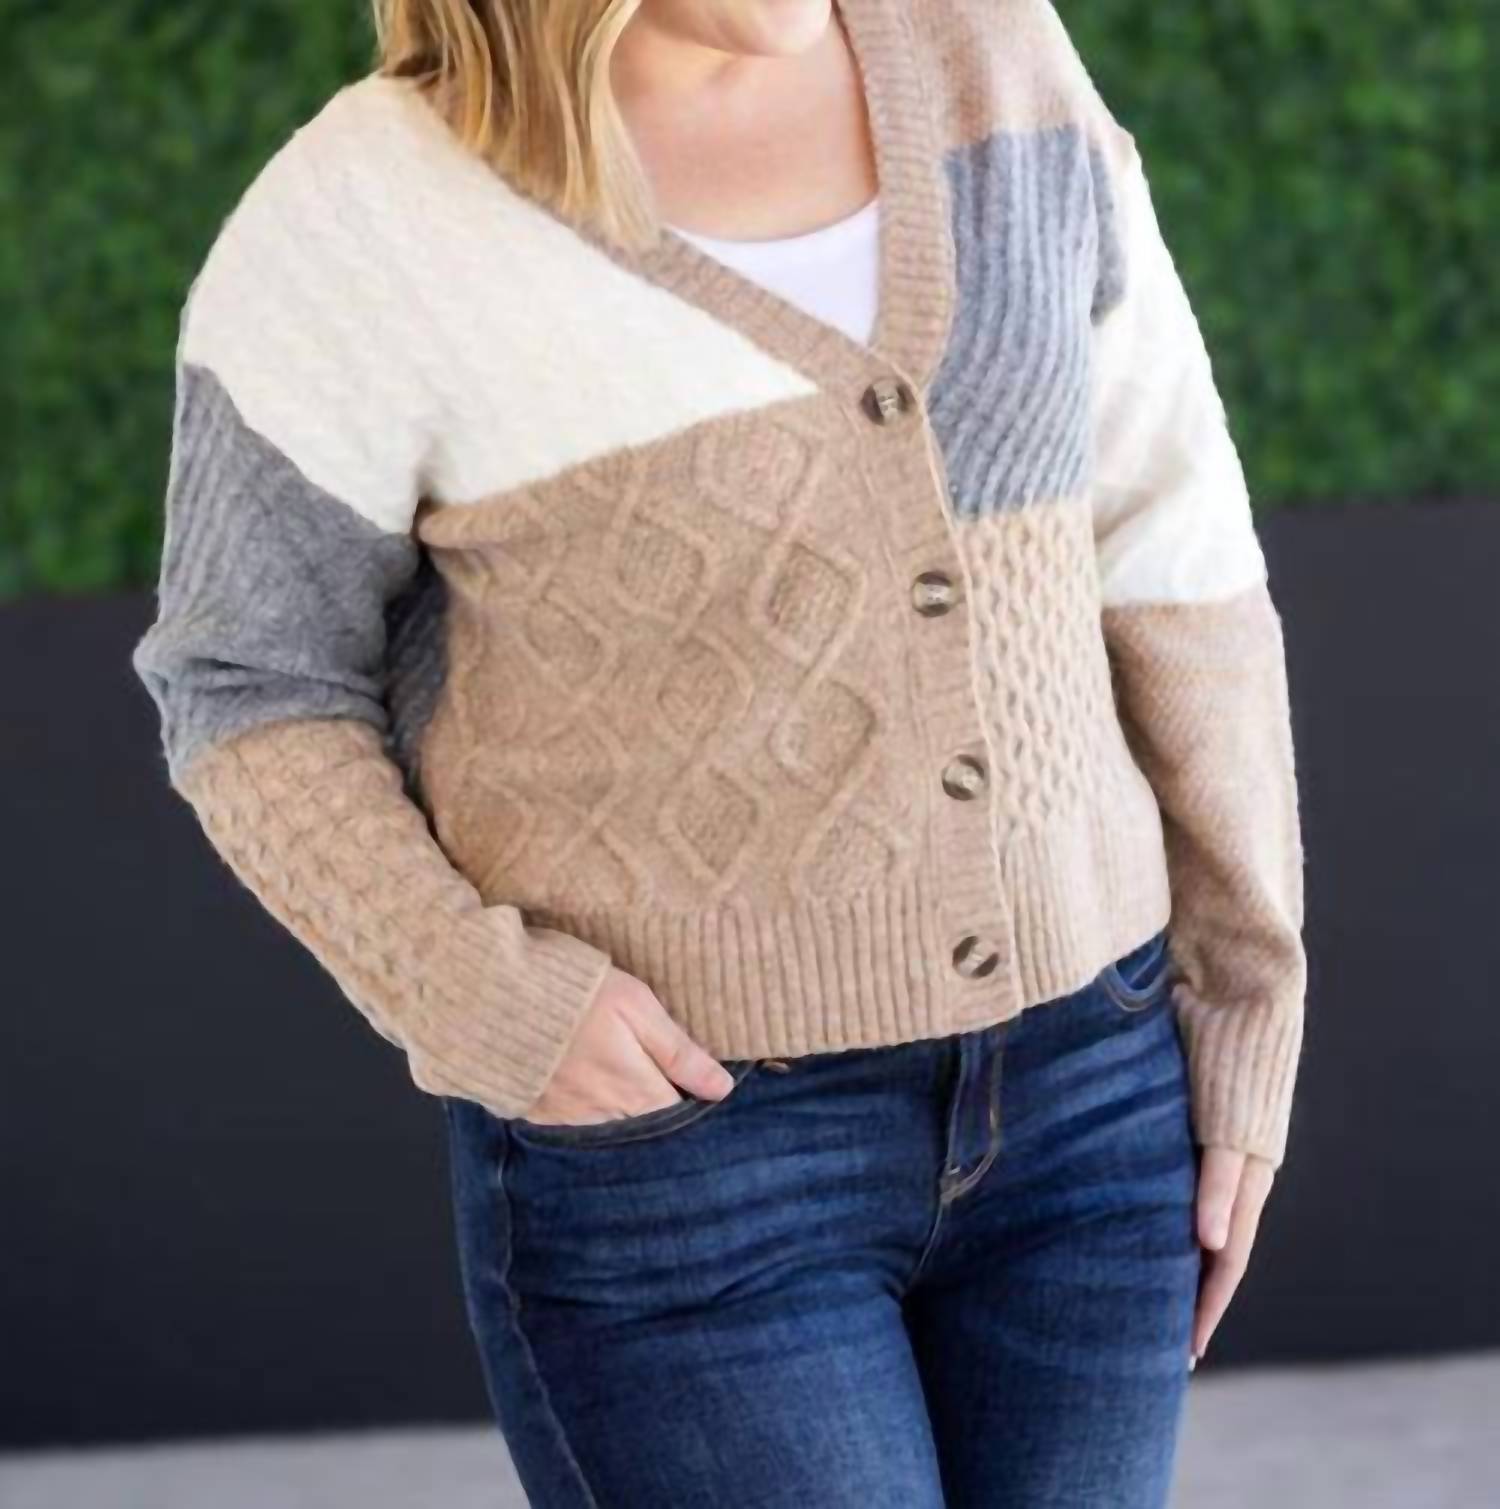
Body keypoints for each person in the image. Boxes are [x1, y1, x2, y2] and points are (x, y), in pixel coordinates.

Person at [131, 1, 1308, 1503]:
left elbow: (1173, 548)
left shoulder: (992, 57)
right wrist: (474, 992)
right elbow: (246, 679)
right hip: (688, 1167)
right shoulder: (367, 213)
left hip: (1094, 1096)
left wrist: (1246, 1001)